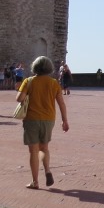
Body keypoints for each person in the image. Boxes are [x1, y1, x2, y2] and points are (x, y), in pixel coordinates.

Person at [16, 56, 69, 190]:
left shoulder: (28, 81)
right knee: (44, 148)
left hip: (31, 119)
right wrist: (64, 120)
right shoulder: (54, 83)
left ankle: (35, 181)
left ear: (35, 67)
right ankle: (47, 170)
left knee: (33, 151)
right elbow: (61, 103)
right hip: (48, 119)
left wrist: (24, 92)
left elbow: (19, 98)